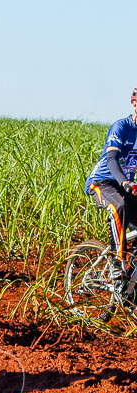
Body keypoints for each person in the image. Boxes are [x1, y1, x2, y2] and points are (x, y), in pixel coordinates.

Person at [85, 89, 137, 276]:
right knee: (119, 206)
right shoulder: (121, 127)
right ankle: (117, 260)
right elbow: (112, 159)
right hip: (102, 182)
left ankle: (129, 285)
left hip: (125, 185)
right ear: (134, 104)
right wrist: (124, 182)